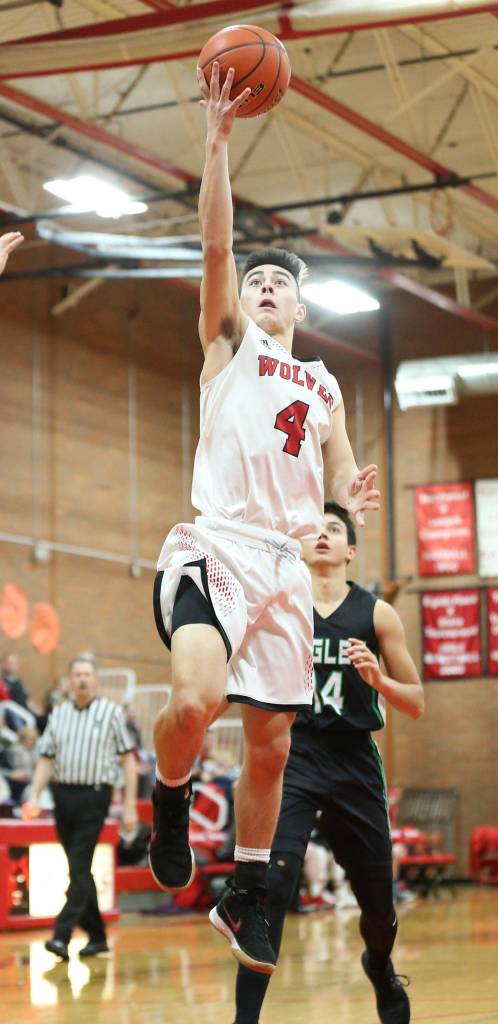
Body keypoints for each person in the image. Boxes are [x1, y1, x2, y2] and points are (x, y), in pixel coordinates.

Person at [150, 61, 380, 977]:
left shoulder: (323, 383)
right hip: (215, 544)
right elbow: (217, 250)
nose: (266, 287)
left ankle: (246, 886)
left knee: (272, 740)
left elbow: (336, 468)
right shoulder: (224, 351)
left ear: (302, 305)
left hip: (285, 569)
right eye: (258, 282)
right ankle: (170, 796)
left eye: (282, 283)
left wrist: (344, 505)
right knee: (198, 703)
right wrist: (215, 144)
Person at [234, 502, 424, 1023]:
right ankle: (244, 1018)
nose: (323, 535)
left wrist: (379, 682)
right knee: (268, 886)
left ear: (350, 549)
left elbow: (416, 701)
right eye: (314, 528)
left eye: (335, 529)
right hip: (294, 755)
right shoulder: (279, 607)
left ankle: (380, 965)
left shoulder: (376, 613)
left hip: (354, 761)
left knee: (379, 904)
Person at [25, 656, 138, 961]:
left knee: (77, 864)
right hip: (63, 796)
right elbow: (46, 758)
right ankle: (98, 937)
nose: (83, 680)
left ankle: (61, 936)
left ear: (96, 680)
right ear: (70, 681)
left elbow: (129, 760)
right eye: (77, 675)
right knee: (79, 869)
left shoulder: (111, 713)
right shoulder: (59, 714)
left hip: (95, 796)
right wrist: (34, 795)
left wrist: (129, 804)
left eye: (88, 674)